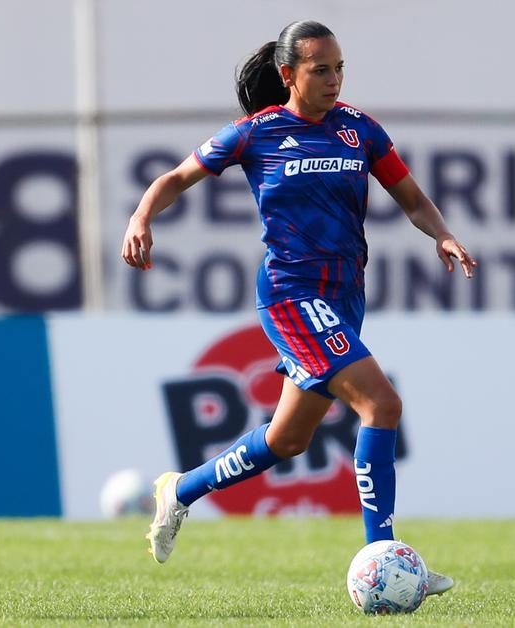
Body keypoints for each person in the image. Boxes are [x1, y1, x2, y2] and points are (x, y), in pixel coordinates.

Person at [120, 20, 476, 597]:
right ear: (288, 74)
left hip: (344, 296)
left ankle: (179, 491)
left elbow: (411, 198)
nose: (334, 80)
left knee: (287, 440)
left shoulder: (360, 130)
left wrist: (442, 234)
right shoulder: (253, 134)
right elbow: (177, 177)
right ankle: (384, 559)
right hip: (291, 295)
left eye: (340, 69)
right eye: (321, 70)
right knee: (381, 404)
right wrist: (140, 217)